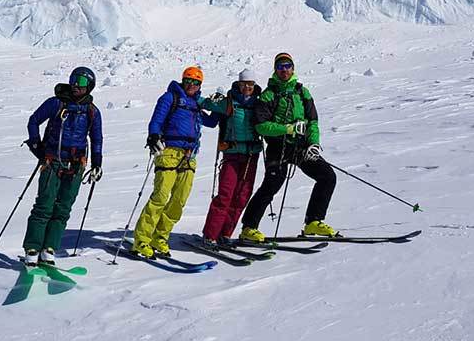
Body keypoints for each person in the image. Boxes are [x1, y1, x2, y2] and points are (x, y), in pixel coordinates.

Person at [239, 53, 338, 242]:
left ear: (293, 68)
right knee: (272, 185)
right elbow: (261, 125)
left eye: (287, 66)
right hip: (278, 148)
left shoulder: (302, 92)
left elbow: (312, 121)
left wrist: (314, 143)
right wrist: (288, 129)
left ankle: (313, 222)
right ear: (275, 70)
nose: (284, 70)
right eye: (280, 66)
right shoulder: (268, 95)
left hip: (301, 147)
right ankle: (248, 228)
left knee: (327, 176)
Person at [130, 66, 218, 258]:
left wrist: (219, 106)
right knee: (160, 197)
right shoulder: (170, 98)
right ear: (182, 80)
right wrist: (154, 136)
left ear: (200, 85)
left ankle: (160, 237)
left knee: (179, 200)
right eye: (188, 81)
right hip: (169, 151)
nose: (191, 85)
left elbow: (211, 123)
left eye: (195, 82)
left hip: (189, 155)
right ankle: (141, 239)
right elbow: (156, 121)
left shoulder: (196, 104)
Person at [21, 67, 103, 265]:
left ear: (89, 86)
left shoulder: (92, 111)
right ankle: (32, 248)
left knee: (63, 207)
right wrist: (36, 145)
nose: (75, 85)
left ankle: (49, 249)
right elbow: (34, 121)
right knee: (44, 204)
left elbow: (97, 138)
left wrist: (97, 163)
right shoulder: (56, 103)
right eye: (73, 79)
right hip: (52, 161)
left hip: (76, 164)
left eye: (81, 82)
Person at [199, 68, 263, 246]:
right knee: (225, 195)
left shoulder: (259, 103)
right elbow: (203, 103)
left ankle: (225, 233)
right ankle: (210, 235)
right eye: (243, 84)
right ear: (238, 84)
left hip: (251, 155)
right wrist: (188, 95)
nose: (247, 87)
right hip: (232, 154)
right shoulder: (228, 102)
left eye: (250, 84)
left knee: (242, 196)